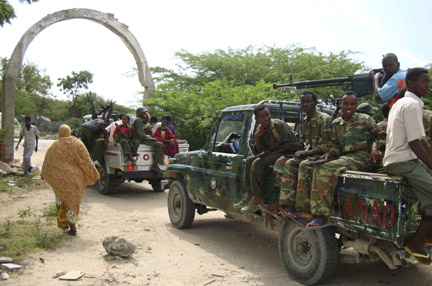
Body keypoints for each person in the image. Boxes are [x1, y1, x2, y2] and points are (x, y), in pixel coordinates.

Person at [306, 91, 385, 228]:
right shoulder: (337, 123)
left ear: (356, 105)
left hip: (362, 158)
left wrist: (375, 148)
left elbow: (382, 136)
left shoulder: (365, 119)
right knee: (314, 165)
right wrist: (329, 154)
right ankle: (316, 207)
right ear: (340, 104)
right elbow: (336, 146)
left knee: (325, 169)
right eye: (346, 104)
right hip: (344, 158)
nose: (349, 107)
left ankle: (321, 215)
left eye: (352, 104)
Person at [383, 68, 432, 265]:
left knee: (429, 197)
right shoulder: (411, 105)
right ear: (411, 83)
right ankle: (416, 241)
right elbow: (414, 143)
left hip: (402, 159)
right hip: (403, 161)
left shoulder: (401, 103)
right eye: (424, 82)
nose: (427, 86)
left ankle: (424, 235)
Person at [270, 91, 332, 218]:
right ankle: (286, 203)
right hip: (311, 154)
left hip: (323, 156)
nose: (305, 104)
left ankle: (303, 207)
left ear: (315, 103)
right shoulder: (305, 120)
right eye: (303, 101)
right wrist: (303, 151)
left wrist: (307, 153)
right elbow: (308, 141)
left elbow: (328, 146)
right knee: (284, 162)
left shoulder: (324, 119)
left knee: (304, 165)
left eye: (308, 101)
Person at [233, 104, 299, 214]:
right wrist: (257, 138)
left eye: (267, 115)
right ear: (257, 119)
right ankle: (249, 194)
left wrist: (272, 153)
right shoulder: (260, 129)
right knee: (249, 160)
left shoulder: (278, 126)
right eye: (262, 117)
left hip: (287, 153)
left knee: (257, 164)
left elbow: (293, 145)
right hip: (272, 154)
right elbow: (259, 151)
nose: (266, 119)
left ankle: (257, 198)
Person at [41, 125, 99, 236]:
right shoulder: (77, 143)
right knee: (71, 202)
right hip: (74, 179)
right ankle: (72, 226)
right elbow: (86, 160)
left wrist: (44, 173)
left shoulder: (55, 146)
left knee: (62, 201)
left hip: (61, 180)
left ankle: (65, 224)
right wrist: (93, 173)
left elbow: (48, 162)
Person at [132, 107, 164, 173]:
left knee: (158, 142)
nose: (145, 114)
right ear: (140, 113)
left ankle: (159, 161)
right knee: (159, 144)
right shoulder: (138, 120)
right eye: (144, 113)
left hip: (140, 138)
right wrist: (149, 137)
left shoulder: (139, 120)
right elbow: (140, 134)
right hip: (139, 139)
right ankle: (155, 165)